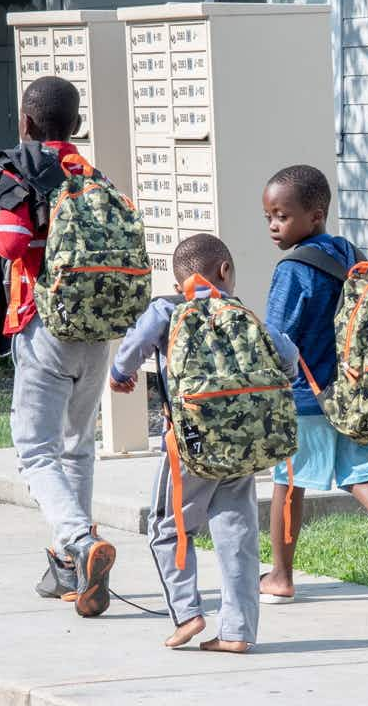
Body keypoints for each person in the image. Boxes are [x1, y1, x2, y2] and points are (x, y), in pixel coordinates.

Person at [110, 233, 299, 652]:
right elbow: (288, 357)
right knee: (237, 534)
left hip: (189, 450)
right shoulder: (242, 313)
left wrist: (120, 374)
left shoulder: (167, 308)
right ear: (225, 271)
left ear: (180, 283)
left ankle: (187, 613)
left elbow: (135, 345)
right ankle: (236, 632)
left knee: (168, 527)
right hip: (244, 448)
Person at [258, 164, 368, 611]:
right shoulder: (346, 253)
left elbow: (277, 336)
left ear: (314, 215)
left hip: (305, 396)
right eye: (269, 217)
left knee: (287, 483)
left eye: (282, 215)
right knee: (367, 478)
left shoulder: (293, 269)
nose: (275, 226)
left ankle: (280, 576)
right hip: (354, 394)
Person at [0, 76, 115, 618]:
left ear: (26, 123)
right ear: (77, 125)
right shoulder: (90, 174)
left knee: (35, 448)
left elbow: (14, 243)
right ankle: (71, 565)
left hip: (45, 326)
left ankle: (81, 546)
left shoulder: (19, 165)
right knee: (77, 445)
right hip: (98, 329)